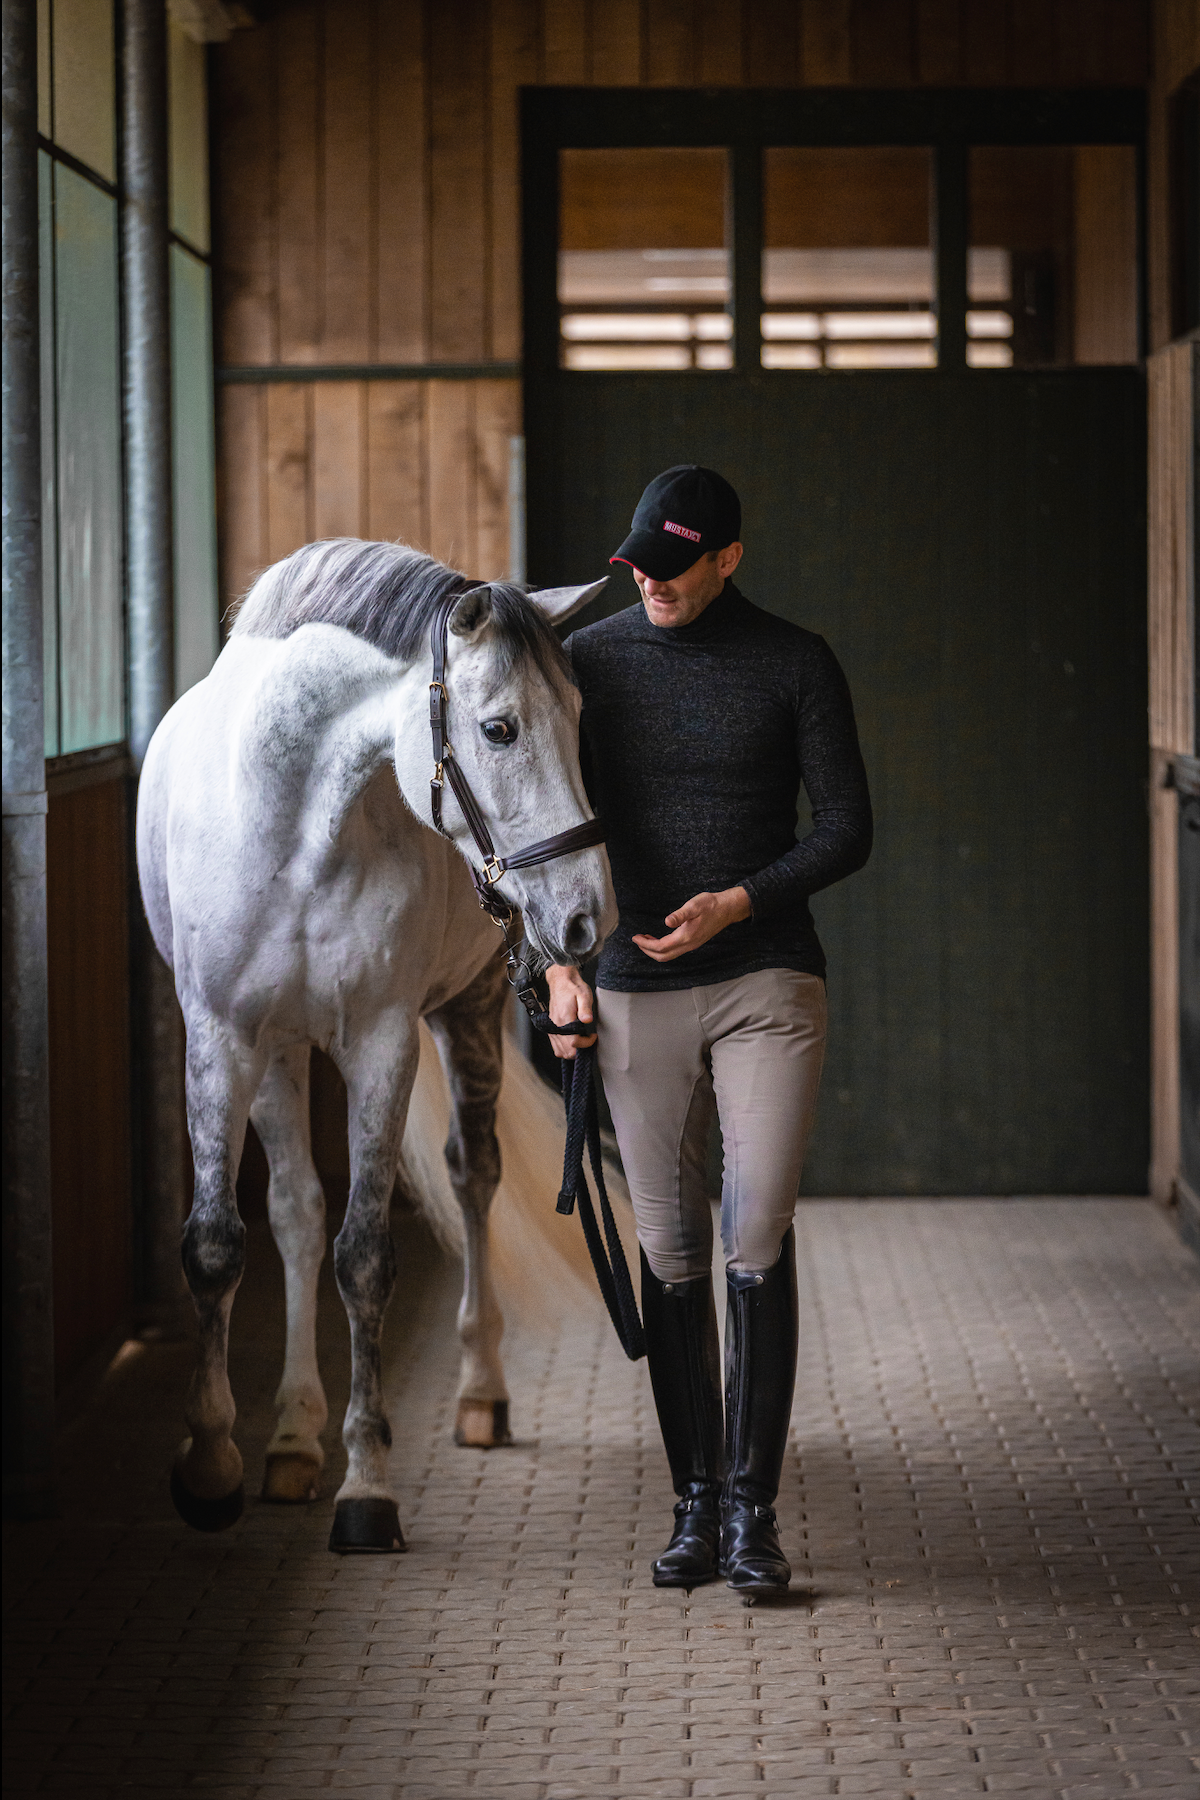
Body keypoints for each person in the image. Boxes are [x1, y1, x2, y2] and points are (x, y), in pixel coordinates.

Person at [547, 465, 872, 1595]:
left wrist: (739, 900)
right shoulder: (586, 664)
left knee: (758, 1232)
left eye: (673, 564)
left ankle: (753, 1517)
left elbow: (847, 829)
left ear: (729, 558)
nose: (650, 580)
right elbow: (524, 824)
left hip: (767, 983)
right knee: (672, 1250)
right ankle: (692, 1505)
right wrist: (554, 970)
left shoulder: (795, 662)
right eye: (636, 560)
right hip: (629, 988)